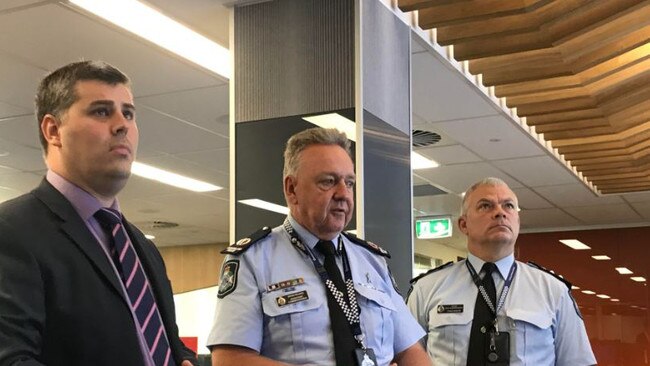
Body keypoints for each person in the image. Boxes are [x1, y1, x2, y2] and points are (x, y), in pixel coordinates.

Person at [0, 61, 198, 366]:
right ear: (53, 130)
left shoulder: (141, 247)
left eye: (128, 113)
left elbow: (163, 344)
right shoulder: (11, 232)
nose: (122, 125)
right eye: (102, 111)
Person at [207, 128, 430, 366]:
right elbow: (229, 360)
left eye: (350, 183)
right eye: (328, 181)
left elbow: (410, 351)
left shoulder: (372, 261)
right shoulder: (253, 260)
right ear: (291, 189)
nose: (343, 194)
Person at [407, 177, 596, 366]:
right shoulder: (427, 289)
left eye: (508, 206)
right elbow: (406, 357)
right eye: (485, 206)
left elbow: (578, 361)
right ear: (464, 225)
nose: (500, 213)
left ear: (518, 222)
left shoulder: (553, 290)